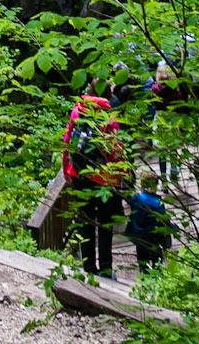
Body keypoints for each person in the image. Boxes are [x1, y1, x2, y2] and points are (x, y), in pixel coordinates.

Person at [63, 91, 127, 278]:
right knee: (105, 222)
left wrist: (66, 167)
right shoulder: (109, 117)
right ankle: (106, 268)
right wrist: (120, 174)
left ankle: (88, 265)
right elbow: (116, 149)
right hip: (104, 177)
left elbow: (68, 141)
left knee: (85, 219)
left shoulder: (78, 110)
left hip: (79, 173)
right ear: (108, 95)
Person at [125, 169, 174, 270]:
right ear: (156, 186)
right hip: (155, 238)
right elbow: (163, 221)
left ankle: (144, 278)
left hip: (139, 236)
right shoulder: (158, 203)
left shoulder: (136, 198)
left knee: (142, 260)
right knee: (157, 262)